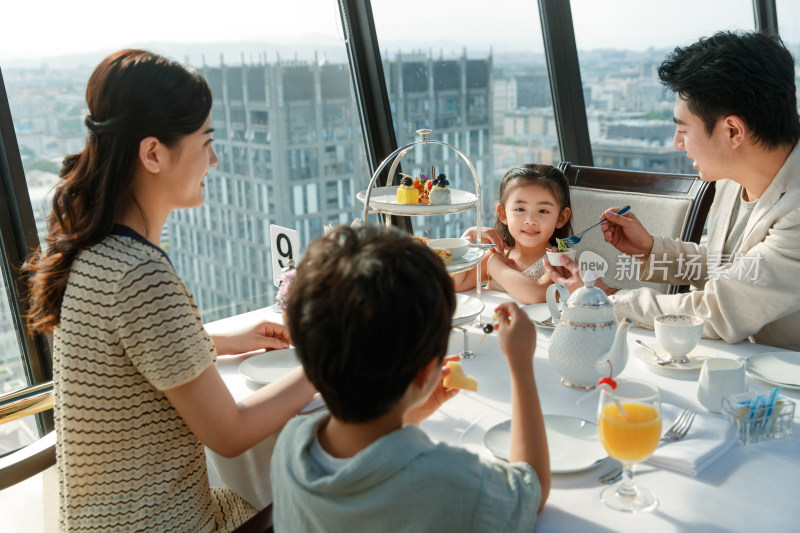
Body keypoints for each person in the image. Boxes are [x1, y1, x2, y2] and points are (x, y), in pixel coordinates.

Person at [22, 49, 317, 531]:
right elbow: (229, 433)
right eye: (206, 141)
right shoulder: (140, 275)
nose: (215, 159)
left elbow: (124, 354)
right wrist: (333, 363)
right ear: (153, 153)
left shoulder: (93, 252)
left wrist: (220, 342)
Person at [271, 225, 549, 532]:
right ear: (425, 370)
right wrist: (521, 367)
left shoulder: (290, 443)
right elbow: (529, 488)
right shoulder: (450, 482)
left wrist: (408, 416)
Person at [545, 31, 800, 351]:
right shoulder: (732, 174)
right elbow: (726, 265)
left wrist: (608, 299)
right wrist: (650, 249)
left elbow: (718, 311)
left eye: (683, 130)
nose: (676, 144)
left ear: (733, 131)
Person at [454, 163, 573, 305]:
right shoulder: (499, 254)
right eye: (520, 209)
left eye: (543, 211)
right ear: (503, 214)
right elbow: (457, 284)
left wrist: (495, 267)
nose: (530, 221)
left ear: (561, 218)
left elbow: (537, 296)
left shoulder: (559, 259)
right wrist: (468, 238)